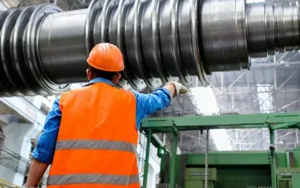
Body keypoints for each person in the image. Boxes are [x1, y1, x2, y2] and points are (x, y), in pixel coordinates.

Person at [24, 43, 188, 188]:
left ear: (89, 74)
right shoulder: (133, 102)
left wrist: (30, 184)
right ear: (117, 77)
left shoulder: (64, 101)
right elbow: (159, 99)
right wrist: (172, 85)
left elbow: (44, 150)